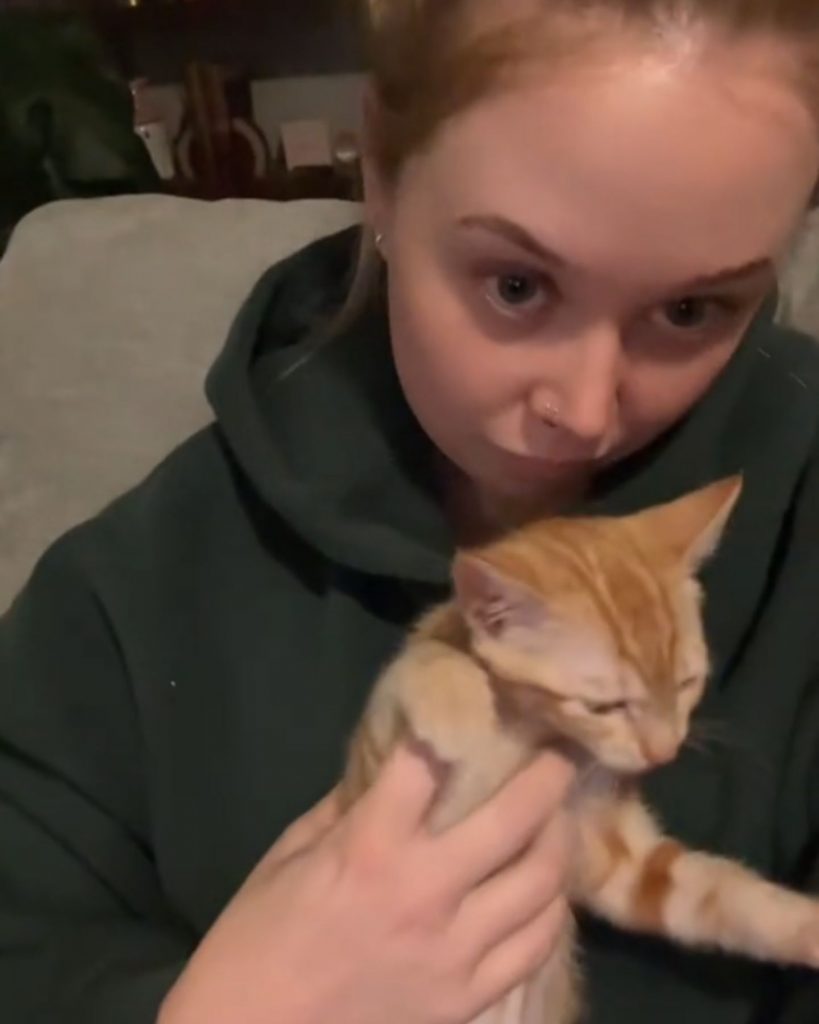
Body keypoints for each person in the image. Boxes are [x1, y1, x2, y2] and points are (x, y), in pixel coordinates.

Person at [2, 0, 819, 1021]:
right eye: (517, 285)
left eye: (693, 312)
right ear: (381, 166)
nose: (585, 407)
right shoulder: (127, 592)